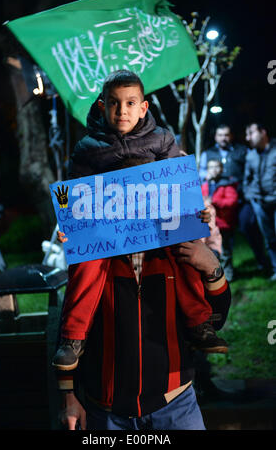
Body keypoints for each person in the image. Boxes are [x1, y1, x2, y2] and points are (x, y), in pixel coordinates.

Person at [50, 70, 231, 430]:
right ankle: (75, 340)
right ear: (102, 106)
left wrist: (199, 222)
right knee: (84, 274)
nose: (122, 111)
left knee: (186, 258)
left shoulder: (162, 141)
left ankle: (199, 326)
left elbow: (180, 189)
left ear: (144, 107)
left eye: (131, 103)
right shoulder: (88, 148)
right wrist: (68, 223)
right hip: (106, 408)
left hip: (174, 400)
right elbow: (74, 193)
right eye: (114, 104)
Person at [199, 124, 267, 271]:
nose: (224, 138)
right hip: (218, 202)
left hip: (241, 198)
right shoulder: (207, 153)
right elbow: (201, 174)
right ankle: (222, 269)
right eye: (221, 135)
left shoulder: (242, 151)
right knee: (220, 236)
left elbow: (252, 170)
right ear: (216, 137)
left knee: (249, 226)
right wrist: (208, 176)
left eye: (227, 135)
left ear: (231, 136)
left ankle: (263, 261)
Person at [243, 122, 276, 281]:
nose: (247, 137)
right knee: (269, 238)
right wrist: (250, 196)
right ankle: (275, 268)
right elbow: (246, 180)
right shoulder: (251, 155)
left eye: (250, 133)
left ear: (263, 132)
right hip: (260, 204)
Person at [201, 159, 239, 281]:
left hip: (224, 224)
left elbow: (232, 201)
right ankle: (216, 275)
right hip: (210, 224)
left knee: (225, 251)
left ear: (222, 169)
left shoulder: (227, 184)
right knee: (212, 250)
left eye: (217, 167)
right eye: (211, 167)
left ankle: (228, 274)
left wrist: (215, 202)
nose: (214, 170)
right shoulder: (205, 185)